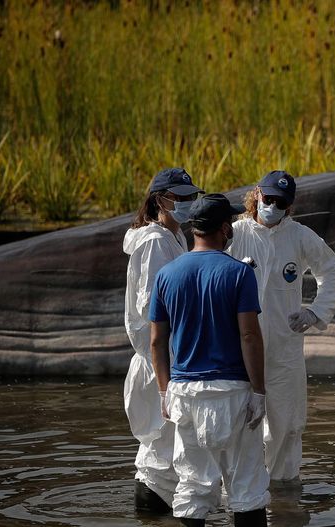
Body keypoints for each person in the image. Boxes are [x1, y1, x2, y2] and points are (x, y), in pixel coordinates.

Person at [149, 194, 271, 527]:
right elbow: (249, 336)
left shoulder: (167, 276)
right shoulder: (239, 273)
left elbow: (157, 341)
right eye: (229, 222)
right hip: (232, 390)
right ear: (222, 227)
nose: (232, 226)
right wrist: (259, 391)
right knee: (247, 485)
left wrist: (164, 392)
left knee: (191, 485)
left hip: (184, 390)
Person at [227, 170, 335, 483]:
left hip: (284, 348)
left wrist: (315, 312)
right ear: (256, 195)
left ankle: (283, 497)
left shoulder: (299, 236)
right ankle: (239, 496)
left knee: (288, 426)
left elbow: (330, 271)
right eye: (269, 198)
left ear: (289, 206)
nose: (273, 206)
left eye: (281, 202)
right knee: (239, 423)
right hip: (239, 348)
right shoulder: (236, 234)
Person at [123, 167, 202, 513]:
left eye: (190, 197)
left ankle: (156, 514)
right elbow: (151, 305)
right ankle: (150, 514)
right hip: (158, 356)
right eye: (179, 197)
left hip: (170, 352)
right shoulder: (155, 242)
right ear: (160, 200)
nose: (186, 203)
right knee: (160, 446)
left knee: (168, 444)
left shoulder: (176, 237)